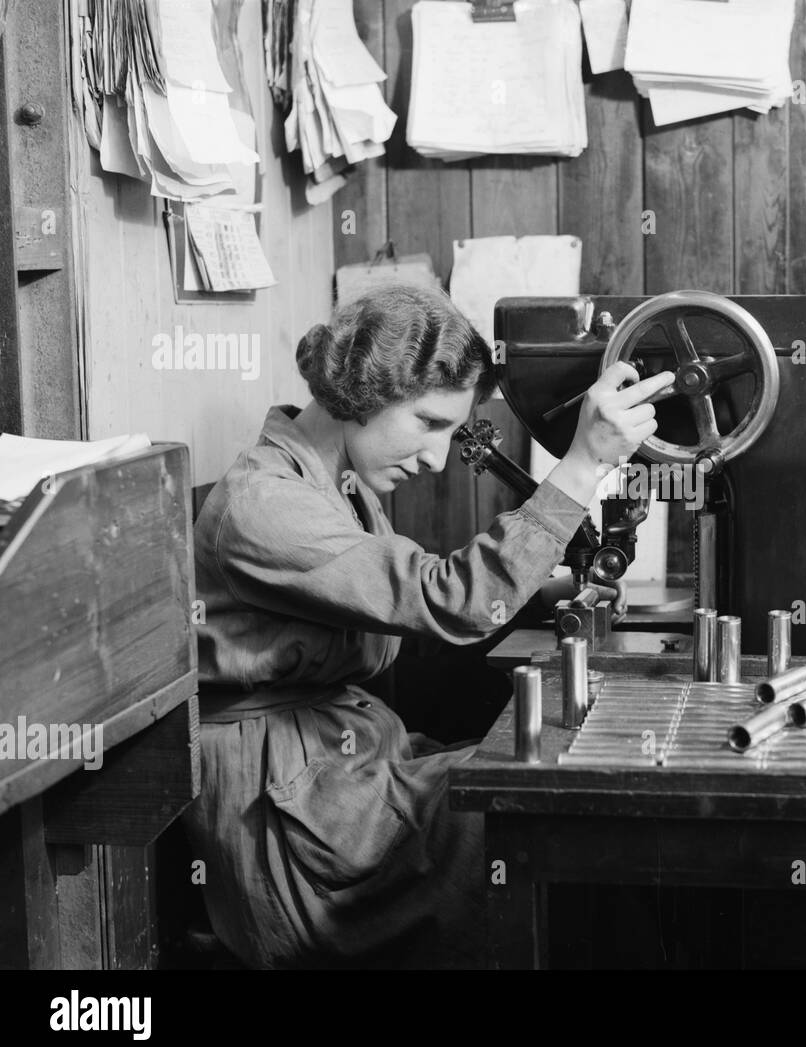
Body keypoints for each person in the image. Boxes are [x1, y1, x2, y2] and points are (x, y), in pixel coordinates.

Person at [182, 284, 672, 968]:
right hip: (287, 823)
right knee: (539, 803)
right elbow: (449, 600)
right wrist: (583, 466)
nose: (439, 460)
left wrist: (549, 585)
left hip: (338, 770)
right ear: (361, 392)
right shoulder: (265, 505)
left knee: (551, 787)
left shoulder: (335, 485)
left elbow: (417, 604)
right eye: (429, 423)